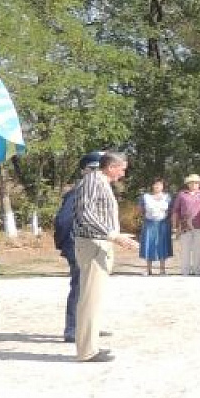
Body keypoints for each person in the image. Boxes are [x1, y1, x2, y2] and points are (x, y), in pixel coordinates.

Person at [72, 151, 138, 362]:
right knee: (90, 298)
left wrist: (116, 234)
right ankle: (87, 351)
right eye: (122, 169)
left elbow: (99, 214)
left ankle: (91, 346)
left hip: (100, 243)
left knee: (95, 298)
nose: (123, 174)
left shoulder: (101, 182)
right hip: (92, 244)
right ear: (111, 167)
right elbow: (86, 214)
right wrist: (112, 235)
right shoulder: (92, 180)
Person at [55, 151, 104, 343]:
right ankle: (73, 329)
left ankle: (88, 326)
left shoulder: (94, 190)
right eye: (94, 169)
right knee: (79, 287)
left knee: (90, 288)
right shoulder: (78, 192)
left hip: (92, 245)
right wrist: (68, 245)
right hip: (78, 245)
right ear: (86, 171)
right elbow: (63, 221)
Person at [173, 173, 200, 275]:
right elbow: (176, 210)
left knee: (198, 248)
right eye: (191, 183)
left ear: (199, 184)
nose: (194, 184)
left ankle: (197, 270)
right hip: (185, 225)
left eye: (196, 183)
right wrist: (175, 226)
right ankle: (185, 271)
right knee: (185, 248)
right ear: (188, 184)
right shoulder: (182, 194)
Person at [137, 178, 173, 275]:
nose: (157, 186)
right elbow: (140, 210)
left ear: (163, 186)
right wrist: (146, 218)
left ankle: (162, 269)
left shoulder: (168, 197)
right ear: (152, 186)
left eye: (160, 184)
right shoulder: (145, 197)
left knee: (163, 245)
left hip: (163, 224)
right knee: (149, 245)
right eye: (155, 184)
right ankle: (148, 269)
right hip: (149, 223)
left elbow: (171, 211)